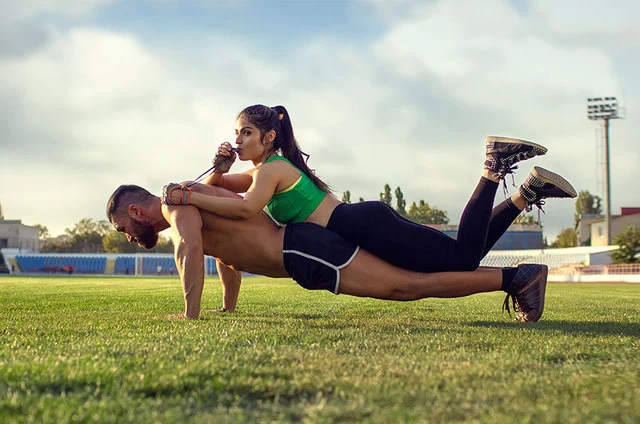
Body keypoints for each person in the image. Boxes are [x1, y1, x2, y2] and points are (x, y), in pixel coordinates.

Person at [162, 104, 577, 274]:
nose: (238, 141)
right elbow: (222, 193)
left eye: (246, 133)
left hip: (362, 224)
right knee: (460, 254)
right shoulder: (263, 170)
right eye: (236, 133)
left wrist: (186, 196)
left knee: (463, 258)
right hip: (363, 222)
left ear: (269, 137)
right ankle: (527, 193)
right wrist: (217, 170)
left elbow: (244, 209)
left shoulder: (270, 170)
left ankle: (493, 166)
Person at [107, 183, 548, 322]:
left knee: (403, 286)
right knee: (417, 273)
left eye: (124, 228)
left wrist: (189, 314)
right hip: (306, 252)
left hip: (306, 251)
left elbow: (191, 249)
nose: (128, 236)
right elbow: (225, 256)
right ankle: (518, 221)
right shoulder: (191, 204)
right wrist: (228, 306)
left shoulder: (176, 204)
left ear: (134, 210)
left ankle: (513, 278)